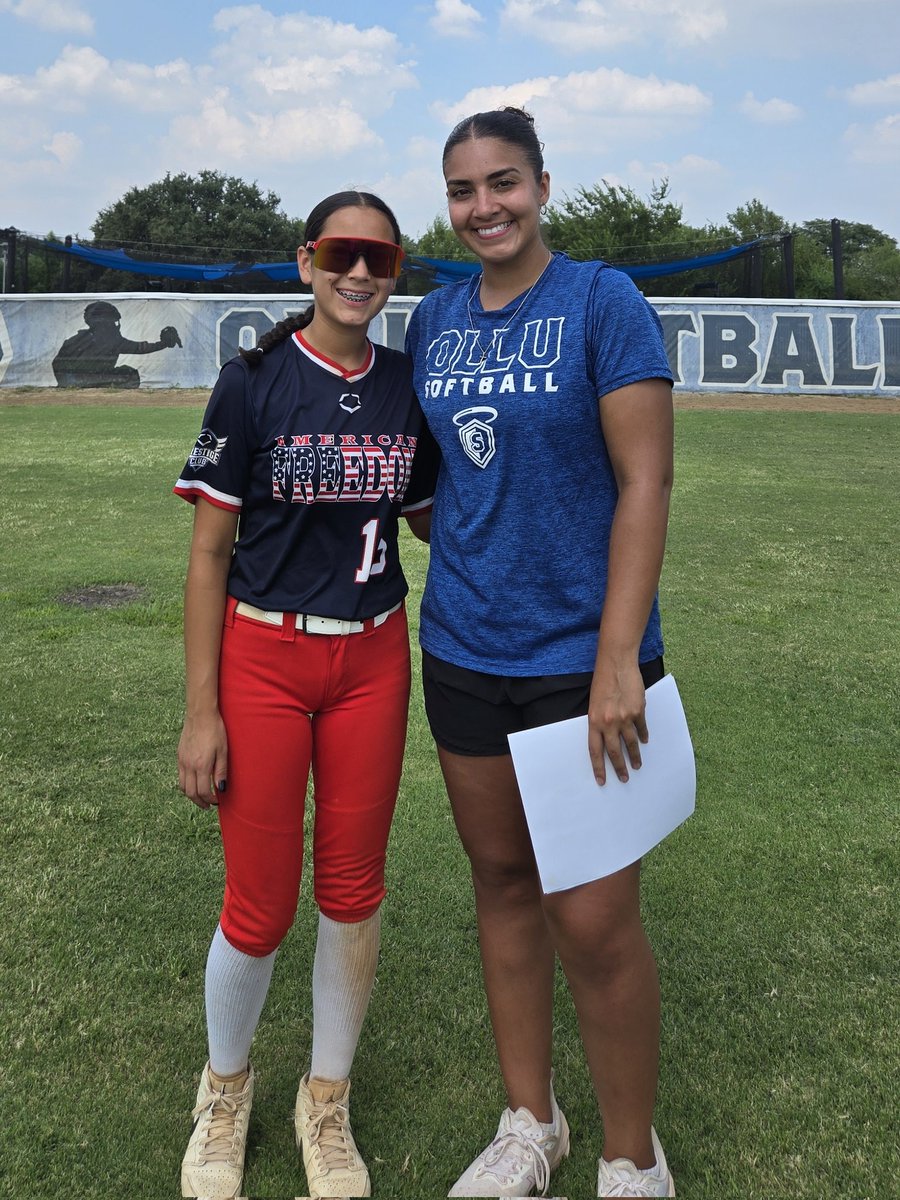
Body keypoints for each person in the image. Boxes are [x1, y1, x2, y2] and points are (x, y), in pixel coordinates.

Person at [404, 107, 677, 1198]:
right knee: (504, 882)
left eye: (503, 183)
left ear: (544, 185)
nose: (485, 208)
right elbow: (433, 481)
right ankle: (533, 1123)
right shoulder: (432, 318)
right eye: (464, 190)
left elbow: (646, 481)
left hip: (583, 660)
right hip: (464, 647)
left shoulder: (603, 302)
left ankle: (631, 1157)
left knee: (597, 918)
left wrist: (621, 657)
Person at [173, 190, 433, 1200]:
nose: (358, 272)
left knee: (354, 890)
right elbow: (208, 556)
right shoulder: (253, 382)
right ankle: (226, 1089)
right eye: (340, 252)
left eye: (378, 256)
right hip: (266, 660)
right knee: (259, 903)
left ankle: (324, 1099)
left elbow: (428, 522)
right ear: (307, 259)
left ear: (396, 267)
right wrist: (203, 710)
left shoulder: (409, 387)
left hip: (373, 657)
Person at [52, 299, 181, 388]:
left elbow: (57, 363)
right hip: (84, 379)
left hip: (77, 380)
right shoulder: (108, 338)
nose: (115, 325)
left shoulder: (79, 338)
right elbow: (139, 348)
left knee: (126, 373)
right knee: (130, 375)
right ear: (105, 321)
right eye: (113, 322)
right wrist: (164, 343)